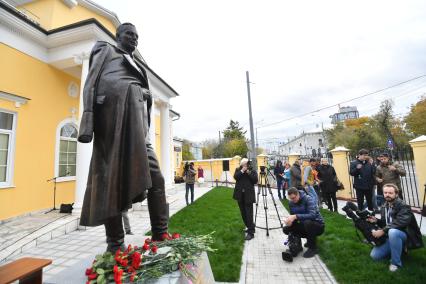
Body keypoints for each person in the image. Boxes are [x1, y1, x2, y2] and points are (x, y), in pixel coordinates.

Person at [78, 23, 168, 252]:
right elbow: (91, 83)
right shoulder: (105, 50)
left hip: (137, 131)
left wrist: (142, 94)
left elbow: (141, 96)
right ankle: (115, 245)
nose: (134, 39)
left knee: (156, 178)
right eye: (130, 34)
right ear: (118, 36)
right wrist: (87, 120)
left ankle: (161, 234)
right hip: (112, 125)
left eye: (137, 37)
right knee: (111, 182)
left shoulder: (138, 65)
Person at [368, 184, 423, 271]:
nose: (387, 195)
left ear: (396, 194)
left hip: (405, 235)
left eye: (390, 193)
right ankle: (398, 249)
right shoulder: (384, 206)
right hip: (390, 235)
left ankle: (395, 263)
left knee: (393, 232)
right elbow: (386, 222)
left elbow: (400, 222)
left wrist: (383, 231)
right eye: (385, 192)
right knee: (374, 256)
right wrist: (376, 221)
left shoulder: (403, 206)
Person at [282, 187, 325, 261]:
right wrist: (289, 222)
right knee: (286, 229)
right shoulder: (291, 203)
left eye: (293, 198)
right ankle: (297, 246)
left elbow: (313, 215)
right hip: (305, 225)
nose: (292, 200)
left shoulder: (308, 199)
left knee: (307, 222)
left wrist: (296, 216)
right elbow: (294, 218)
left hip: (318, 225)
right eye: (290, 199)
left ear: (298, 194)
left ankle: (313, 248)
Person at [233, 158, 258, 241]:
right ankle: (249, 226)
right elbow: (236, 177)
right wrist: (242, 171)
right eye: (244, 164)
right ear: (241, 164)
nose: (245, 165)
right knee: (243, 213)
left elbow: (255, 180)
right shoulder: (238, 170)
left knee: (249, 214)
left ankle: (251, 233)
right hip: (240, 195)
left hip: (248, 196)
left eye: (246, 164)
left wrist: (248, 172)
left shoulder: (252, 170)